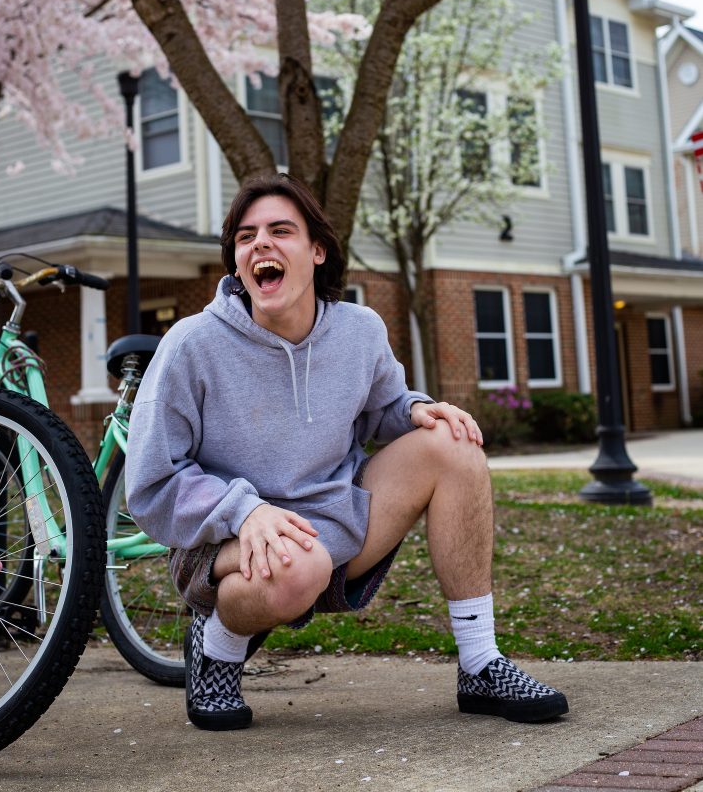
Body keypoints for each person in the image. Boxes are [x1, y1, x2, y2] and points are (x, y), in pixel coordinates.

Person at [126, 174, 568, 731]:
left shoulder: (360, 330)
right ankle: (218, 644)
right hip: (224, 541)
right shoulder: (191, 344)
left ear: (317, 251)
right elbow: (150, 483)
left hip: (334, 524)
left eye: (280, 230)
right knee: (296, 565)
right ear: (236, 261)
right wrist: (246, 511)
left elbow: (381, 405)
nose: (260, 243)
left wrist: (414, 410)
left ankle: (480, 662)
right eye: (245, 236)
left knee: (454, 445)